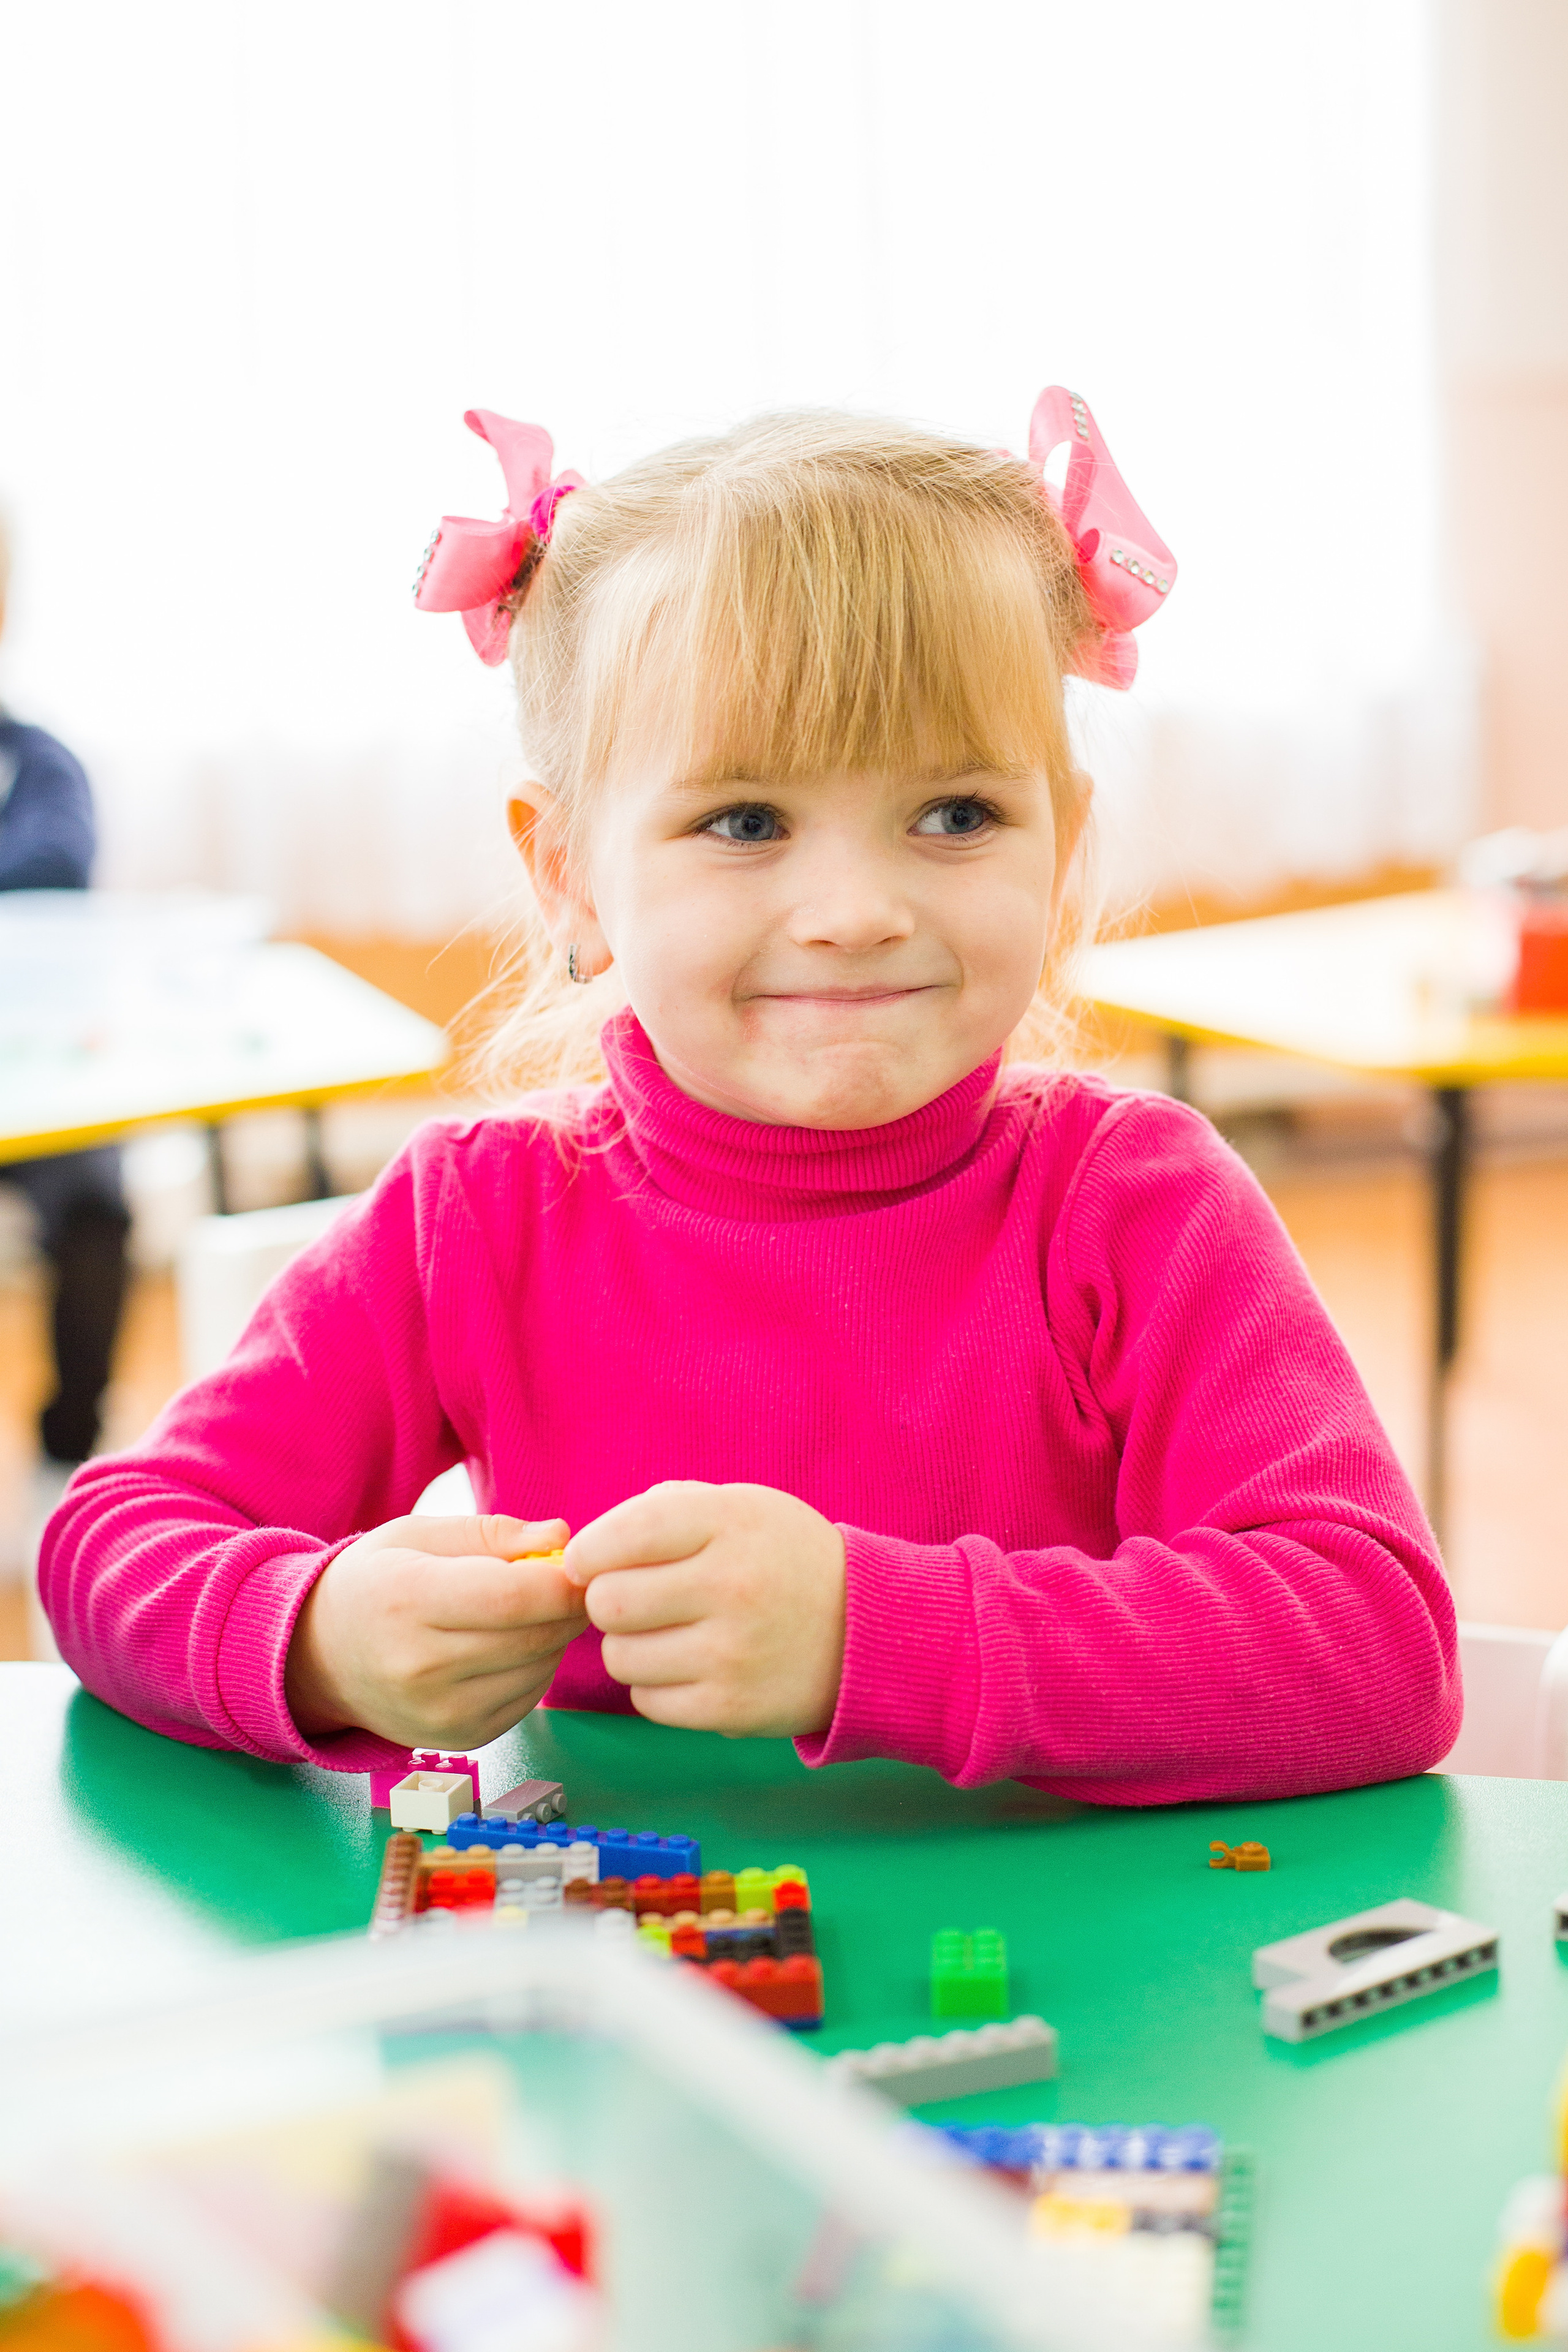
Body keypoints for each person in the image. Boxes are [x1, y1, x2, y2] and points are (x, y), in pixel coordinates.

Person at [39, 394, 1459, 1800]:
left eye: (955, 815)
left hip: (1082, 2004)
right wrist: (317, 1639)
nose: (853, 911)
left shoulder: (1134, 1202)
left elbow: (1377, 1651)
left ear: (1061, 842)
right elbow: (112, 1543)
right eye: (744, 822)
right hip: (608, 1990)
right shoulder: (477, 1217)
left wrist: (869, 1633)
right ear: (570, 875)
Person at [0, 516, 131, 1475]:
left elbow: (53, 877)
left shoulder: (40, 763)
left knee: (96, 1203)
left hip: (32, 1076)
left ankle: (67, 1451)